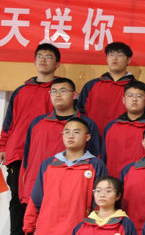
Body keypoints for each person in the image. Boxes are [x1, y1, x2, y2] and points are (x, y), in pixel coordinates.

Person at [0, 43, 57, 235]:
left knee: (45, 197)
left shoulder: (61, 90)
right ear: (34, 61)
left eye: (48, 56)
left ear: (57, 63)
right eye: (40, 56)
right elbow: (8, 122)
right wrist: (3, 146)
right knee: (17, 197)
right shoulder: (21, 91)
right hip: (18, 152)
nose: (43, 60)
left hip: (46, 153)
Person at [21, 78, 100, 206]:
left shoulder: (87, 124)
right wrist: (24, 191)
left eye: (63, 90)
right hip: (37, 191)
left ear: (74, 95)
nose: (57, 94)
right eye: (53, 91)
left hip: (73, 194)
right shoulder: (37, 123)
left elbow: (94, 159)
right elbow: (26, 160)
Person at [78, 42, 136, 137]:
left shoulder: (136, 88)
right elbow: (80, 113)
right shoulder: (91, 85)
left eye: (119, 55)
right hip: (91, 137)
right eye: (111, 55)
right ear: (106, 59)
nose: (114, 58)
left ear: (128, 60)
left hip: (123, 137)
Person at [101, 80, 145, 179]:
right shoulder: (111, 127)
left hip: (143, 180)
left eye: (139, 96)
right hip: (113, 181)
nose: (134, 99)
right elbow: (104, 157)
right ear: (123, 100)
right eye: (130, 95)